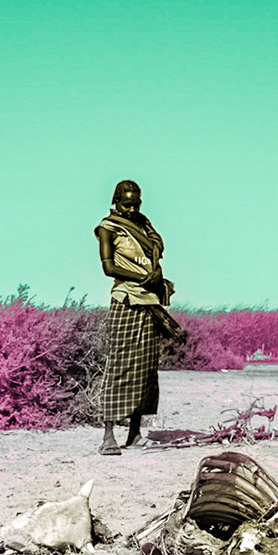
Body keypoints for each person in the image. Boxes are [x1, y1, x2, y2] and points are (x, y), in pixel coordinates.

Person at [93, 179, 176, 455]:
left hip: (149, 303)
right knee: (120, 366)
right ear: (115, 202)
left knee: (145, 369)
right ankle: (108, 436)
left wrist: (154, 281)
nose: (130, 209)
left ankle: (135, 432)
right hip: (126, 301)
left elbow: (155, 259)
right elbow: (109, 267)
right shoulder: (109, 228)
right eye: (125, 204)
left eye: (135, 204)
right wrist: (144, 277)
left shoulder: (145, 227)